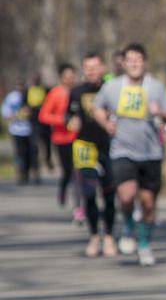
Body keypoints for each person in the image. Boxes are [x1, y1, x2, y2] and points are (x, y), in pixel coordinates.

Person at [94, 43, 166, 266]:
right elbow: (97, 107)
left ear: (144, 62)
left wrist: (161, 113)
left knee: (149, 204)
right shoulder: (113, 87)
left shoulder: (156, 87)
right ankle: (128, 225)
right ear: (123, 63)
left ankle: (144, 244)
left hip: (151, 152)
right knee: (127, 195)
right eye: (130, 60)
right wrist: (106, 124)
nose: (134, 63)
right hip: (122, 149)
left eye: (138, 59)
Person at [68, 52, 117, 257]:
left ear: (103, 68)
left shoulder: (112, 88)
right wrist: (70, 121)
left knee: (109, 193)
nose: (91, 71)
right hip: (84, 146)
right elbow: (68, 114)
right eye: (87, 68)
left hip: (109, 145)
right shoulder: (77, 91)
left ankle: (109, 236)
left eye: (95, 67)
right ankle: (94, 235)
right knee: (88, 193)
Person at [39, 64, 79, 214]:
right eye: (67, 77)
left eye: (72, 76)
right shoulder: (55, 93)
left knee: (79, 173)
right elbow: (43, 116)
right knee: (68, 171)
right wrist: (63, 119)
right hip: (61, 139)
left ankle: (79, 206)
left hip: (79, 139)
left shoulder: (78, 92)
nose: (70, 80)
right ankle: (63, 190)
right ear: (61, 78)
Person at [2, 81, 39, 184]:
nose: (20, 90)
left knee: (32, 153)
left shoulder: (31, 96)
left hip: (31, 130)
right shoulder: (11, 97)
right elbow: (5, 112)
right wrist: (15, 115)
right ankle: (21, 175)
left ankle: (34, 174)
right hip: (16, 130)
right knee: (20, 154)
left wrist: (31, 113)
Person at [27, 74, 52, 171]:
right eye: (35, 79)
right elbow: (24, 104)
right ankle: (35, 164)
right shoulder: (29, 91)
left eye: (38, 79)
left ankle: (48, 160)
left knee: (47, 144)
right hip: (34, 122)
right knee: (34, 145)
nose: (37, 81)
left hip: (45, 122)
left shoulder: (45, 89)